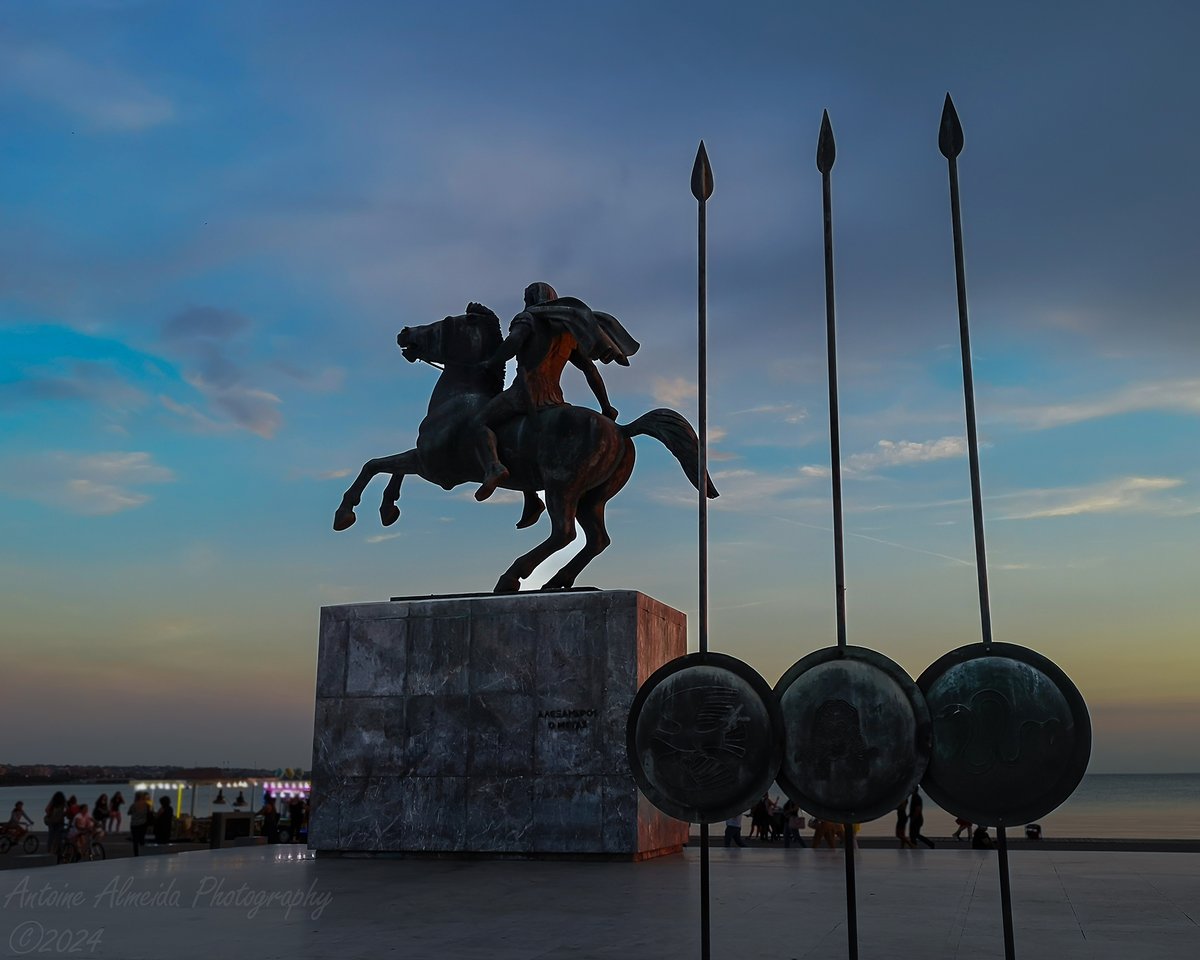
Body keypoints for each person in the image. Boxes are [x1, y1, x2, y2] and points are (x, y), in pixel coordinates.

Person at [471, 282, 639, 503]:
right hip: (554, 398)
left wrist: (490, 362)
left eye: (526, 298)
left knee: (478, 423)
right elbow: (590, 370)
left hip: (524, 394)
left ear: (531, 299)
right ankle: (531, 499)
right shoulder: (566, 332)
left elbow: (512, 343)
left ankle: (493, 468)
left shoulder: (527, 318)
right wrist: (605, 405)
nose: (525, 303)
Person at [43, 792, 67, 858]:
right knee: (59, 836)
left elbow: (46, 810)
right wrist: (63, 814)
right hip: (60, 821)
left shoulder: (53, 802)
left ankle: (49, 850)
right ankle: (57, 850)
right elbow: (68, 810)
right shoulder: (63, 802)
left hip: (51, 821)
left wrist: (50, 814)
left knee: (51, 836)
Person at [128, 792, 152, 856]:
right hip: (143, 823)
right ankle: (143, 853)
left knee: (135, 840)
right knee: (142, 838)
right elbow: (149, 813)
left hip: (134, 824)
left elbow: (129, 813)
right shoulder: (146, 805)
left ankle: (136, 854)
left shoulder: (133, 805)